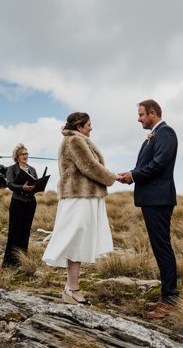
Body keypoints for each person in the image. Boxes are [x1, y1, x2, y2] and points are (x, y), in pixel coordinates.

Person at [42, 112, 116, 305]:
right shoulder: (74, 140)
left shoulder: (77, 140)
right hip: (79, 196)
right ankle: (72, 288)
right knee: (75, 239)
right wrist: (112, 178)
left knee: (79, 241)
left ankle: (71, 287)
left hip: (85, 196)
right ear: (79, 126)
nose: (91, 128)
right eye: (89, 124)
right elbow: (89, 166)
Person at [118, 99, 179, 319]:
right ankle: (167, 296)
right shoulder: (154, 134)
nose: (139, 118)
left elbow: (159, 164)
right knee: (159, 247)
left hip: (158, 200)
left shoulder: (165, 133)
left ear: (152, 113)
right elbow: (148, 165)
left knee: (162, 248)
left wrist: (134, 175)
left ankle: (170, 299)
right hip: (152, 199)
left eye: (141, 115)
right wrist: (131, 173)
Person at [3, 143, 40, 268]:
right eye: (22, 154)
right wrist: (22, 187)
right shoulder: (11, 169)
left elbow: (36, 185)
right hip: (18, 202)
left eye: (26, 154)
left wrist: (37, 187)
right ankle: (9, 263)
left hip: (30, 203)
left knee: (25, 232)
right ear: (17, 156)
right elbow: (10, 184)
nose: (25, 156)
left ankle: (21, 260)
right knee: (14, 231)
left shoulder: (32, 169)